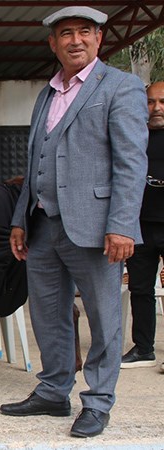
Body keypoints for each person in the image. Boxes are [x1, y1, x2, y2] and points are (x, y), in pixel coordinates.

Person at [1, 6, 149, 439]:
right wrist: (19, 219)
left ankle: (98, 401)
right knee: (47, 314)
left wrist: (122, 224)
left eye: (85, 32)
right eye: (66, 33)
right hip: (43, 223)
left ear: (100, 39)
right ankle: (53, 391)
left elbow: (130, 162)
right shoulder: (47, 93)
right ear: (53, 43)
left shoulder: (121, 87)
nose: (75, 40)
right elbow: (34, 161)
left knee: (104, 316)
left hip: (97, 225)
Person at [122, 81, 164, 371]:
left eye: (162, 101)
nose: (157, 108)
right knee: (140, 289)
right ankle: (143, 348)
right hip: (140, 225)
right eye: (151, 102)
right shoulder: (134, 137)